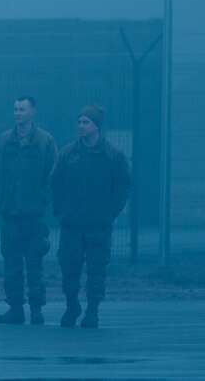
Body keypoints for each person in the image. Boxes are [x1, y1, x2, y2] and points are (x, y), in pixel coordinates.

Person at [50, 103, 130, 328]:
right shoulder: (68, 154)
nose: (81, 126)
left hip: (99, 225)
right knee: (69, 267)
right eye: (79, 122)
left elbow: (123, 184)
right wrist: (61, 209)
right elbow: (55, 182)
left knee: (96, 269)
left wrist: (111, 211)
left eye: (86, 122)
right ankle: (71, 305)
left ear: (97, 126)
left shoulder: (113, 155)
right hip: (72, 224)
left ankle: (92, 310)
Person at [0, 95, 57, 324]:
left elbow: (52, 175)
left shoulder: (45, 141)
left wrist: (42, 200)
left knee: (35, 264)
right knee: (11, 264)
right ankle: (15, 308)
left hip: (34, 216)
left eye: (22, 109)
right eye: (15, 109)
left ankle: (36, 308)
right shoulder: (4, 140)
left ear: (33, 112)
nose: (17, 113)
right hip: (9, 214)